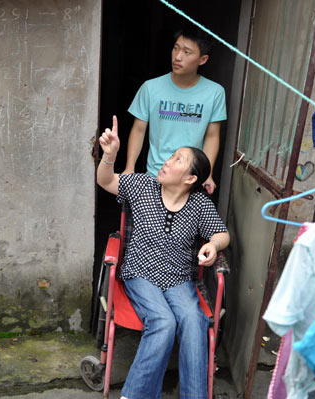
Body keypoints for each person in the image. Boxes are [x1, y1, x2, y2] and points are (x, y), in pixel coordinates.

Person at [97, 116, 230, 399]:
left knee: (194, 322)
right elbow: (106, 181)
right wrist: (110, 156)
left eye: (177, 159)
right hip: (140, 273)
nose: (167, 161)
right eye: (171, 156)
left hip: (179, 279)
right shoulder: (143, 185)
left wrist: (214, 245)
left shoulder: (199, 204)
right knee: (163, 322)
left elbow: (221, 233)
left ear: (191, 178)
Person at [123, 26, 227, 195]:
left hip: (190, 179)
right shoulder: (150, 88)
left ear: (203, 59)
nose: (178, 57)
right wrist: (129, 167)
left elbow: (212, 135)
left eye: (187, 52)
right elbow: (139, 129)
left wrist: (207, 174)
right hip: (155, 176)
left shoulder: (215, 92)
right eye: (176, 48)